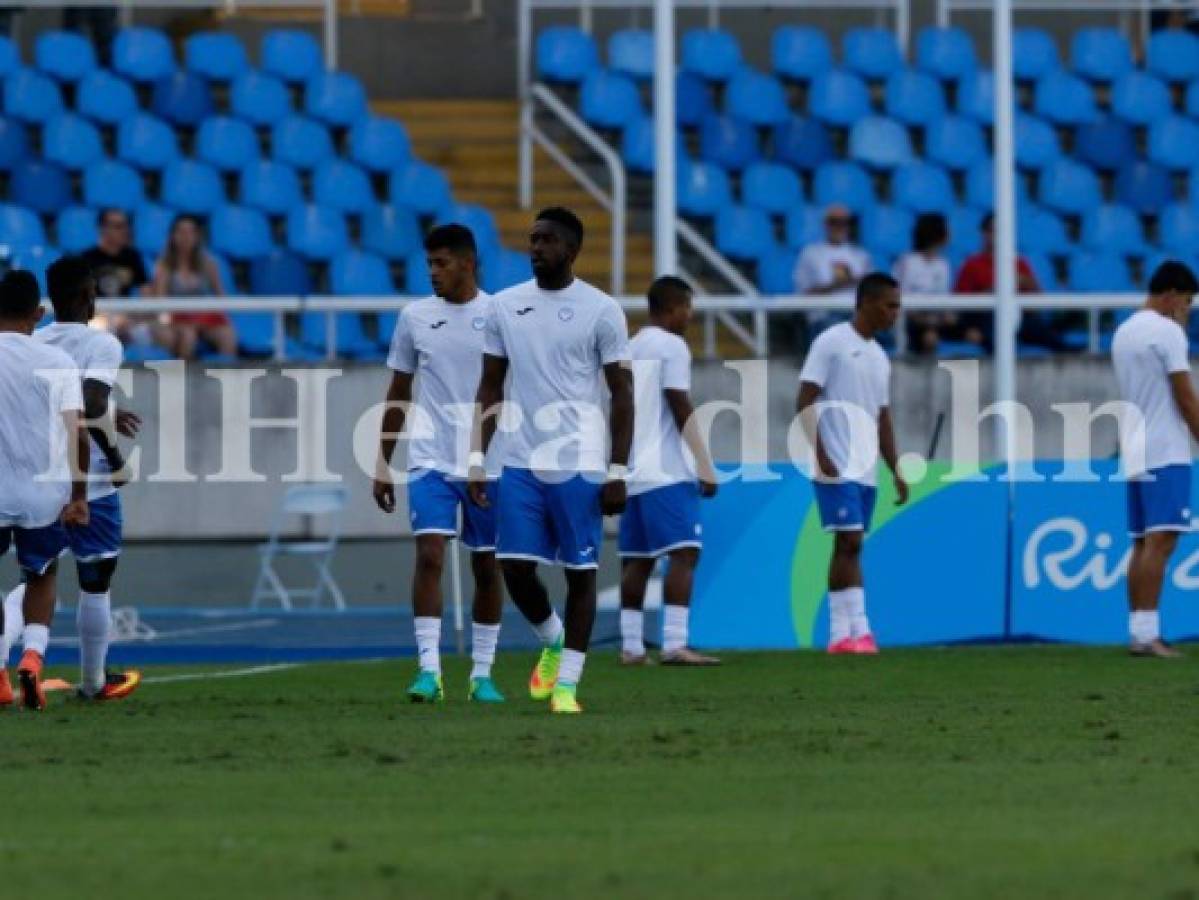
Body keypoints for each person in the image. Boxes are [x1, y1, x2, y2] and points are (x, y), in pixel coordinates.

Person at [469, 207, 633, 715]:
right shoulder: (504, 306)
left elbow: (622, 392)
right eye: (532, 239)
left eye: (546, 240)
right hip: (519, 460)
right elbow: (491, 385)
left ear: (572, 249)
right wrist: (477, 456)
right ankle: (554, 640)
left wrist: (618, 470)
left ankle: (567, 688)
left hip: (580, 462)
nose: (535, 247)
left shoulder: (602, 310)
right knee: (514, 568)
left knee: (580, 574)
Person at [373, 225, 505, 704]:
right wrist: (382, 461)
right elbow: (398, 391)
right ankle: (429, 670)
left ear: (468, 263)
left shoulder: (498, 314)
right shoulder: (414, 317)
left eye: (441, 263)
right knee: (429, 555)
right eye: (429, 264)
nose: (433, 273)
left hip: (488, 461)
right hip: (428, 456)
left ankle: (482, 673)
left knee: (487, 566)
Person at [1, 255, 142, 703]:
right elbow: (90, 402)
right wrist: (116, 459)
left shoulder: (36, 339)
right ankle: (93, 681)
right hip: (88, 483)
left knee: (32, 576)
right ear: (88, 295)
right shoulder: (103, 345)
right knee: (94, 582)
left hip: (37, 480)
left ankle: (7, 662)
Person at [796, 272, 908, 654]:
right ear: (866, 302)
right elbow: (804, 401)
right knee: (849, 539)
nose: (895, 313)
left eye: (898, 307)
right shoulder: (830, 343)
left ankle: (846, 635)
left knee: (851, 547)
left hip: (865, 468)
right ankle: (851, 630)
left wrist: (895, 468)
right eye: (890, 305)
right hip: (836, 463)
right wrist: (821, 454)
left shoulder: (879, 356)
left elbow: (883, 417)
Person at [618, 276, 720, 667]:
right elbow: (679, 403)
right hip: (665, 469)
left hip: (631, 470)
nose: (689, 317)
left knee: (638, 559)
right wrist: (704, 463)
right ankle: (675, 643)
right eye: (687, 308)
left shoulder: (630, 345)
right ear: (673, 308)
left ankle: (631, 647)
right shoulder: (672, 346)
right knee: (684, 553)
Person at [0, 269, 90, 710]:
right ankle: (33, 659)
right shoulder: (58, 362)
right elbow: (79, 435)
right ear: (37, 313)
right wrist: (78, 496)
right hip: (44, 494)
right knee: (42, 574)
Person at [1111, 260, 1199, 658]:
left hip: (1136, 444)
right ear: (1170, 295)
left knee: (1143, 542)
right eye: (1186, 301)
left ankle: (1140, 630)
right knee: (1161, 542)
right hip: (1166, 447)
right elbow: (1184, 397)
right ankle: (1148, 635)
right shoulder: (1167, 333)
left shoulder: (1124, 331)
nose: (1188, 309)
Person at [953, 213, 1066, 352]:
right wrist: (994, 291)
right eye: (993, 230)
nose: (997, 236)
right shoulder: (971, 264)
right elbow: (961, 305)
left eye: (1001, 231)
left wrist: (1028, 283)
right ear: (984, 233)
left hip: (1019, 319)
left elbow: (1036, 303)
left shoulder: (1019, 264)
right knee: (995, 333)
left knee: (1047, 333)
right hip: (986, 319)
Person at [149, 214, 237, 360]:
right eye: (181, 232)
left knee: (228, 334)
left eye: (191, 232)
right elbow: (160, 301)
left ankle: (228, 377)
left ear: (197, 236)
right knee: (188, 335)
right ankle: (183, 378)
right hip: (176, 318)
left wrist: (209, 314)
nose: (186, 237)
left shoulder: (209, 264)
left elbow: (221, 298)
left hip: (203, 317)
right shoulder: (163, 266)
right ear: (173, 236)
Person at [83, 209, 152, 346]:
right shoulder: (87, 259)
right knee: (98, 333)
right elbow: (80, 299)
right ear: (102, 229)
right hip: (97, 314)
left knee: (147, 333)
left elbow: (147, 294)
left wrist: (133, 318)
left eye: (125, 226)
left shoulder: (133, 257)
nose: (124, 231)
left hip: (126, 315)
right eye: (118, 226)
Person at [893, 213, 953, 354]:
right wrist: (926, 320)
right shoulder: (907, 263)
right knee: (929, 336)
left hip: (936, 320)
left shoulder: (943, 265)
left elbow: (944, 301)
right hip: (911, 320)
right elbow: (901, 300)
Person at [794, 204, 872, 298]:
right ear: (825, 224)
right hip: (822, 310)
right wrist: (837, 285)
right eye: (834, 222)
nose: (839, 226)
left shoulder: (861, 256)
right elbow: (802, 293)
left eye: (844, 222)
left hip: (853, 310)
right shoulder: (810, 254)